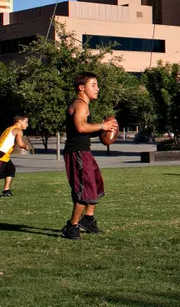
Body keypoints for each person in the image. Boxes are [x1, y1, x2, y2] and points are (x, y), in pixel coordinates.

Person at [61, 72, 118, 240]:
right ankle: (72, 227)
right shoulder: (80, 105)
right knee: (83, 190)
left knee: (96, 185)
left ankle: (88, 220)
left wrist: (103, 130)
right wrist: (102, 125)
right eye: (93, 85)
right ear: (81, 88)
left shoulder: (84, 105)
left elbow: (84, 131)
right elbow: (80, 127)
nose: (97, 89)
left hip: (84, 152)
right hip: (77, 153)